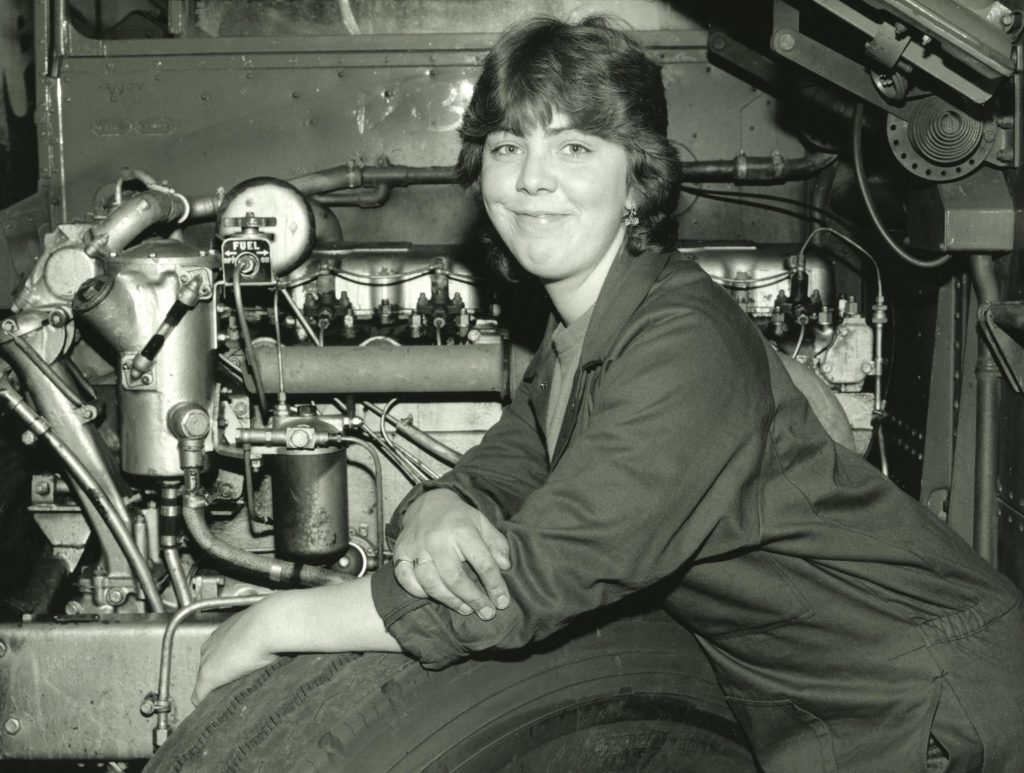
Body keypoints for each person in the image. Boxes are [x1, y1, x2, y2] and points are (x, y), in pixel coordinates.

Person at [194, 15, 1024, 772]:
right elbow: (500, 467)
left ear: (638, 184)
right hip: (835, 705)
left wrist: (267, 625)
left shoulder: (681, 340)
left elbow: (532, 582)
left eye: (577, 148)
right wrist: (440, 505)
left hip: (939, 697)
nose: (532, 179)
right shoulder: (575, 339)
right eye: (508, 146)